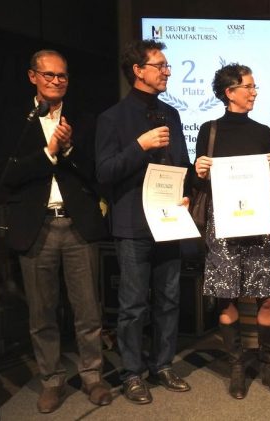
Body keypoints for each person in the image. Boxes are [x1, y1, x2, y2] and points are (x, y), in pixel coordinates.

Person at [2, 49, 112, 413]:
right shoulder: (15, 120)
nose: (56, 81)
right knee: (42, 314)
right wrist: (49, 152)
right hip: (36, 227)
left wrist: (68, 150)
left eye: (62, 75)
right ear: (32, 76)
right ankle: (51, 381)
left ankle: (93, 376)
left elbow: (97, 173)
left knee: (88, 311)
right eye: (48, 75)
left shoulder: (85, 119)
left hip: (77, 224)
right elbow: (8, 175)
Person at [95, 39, 191, 405]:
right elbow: (104, 172)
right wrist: (140, 146)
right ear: (138, 70)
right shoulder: (112, 118)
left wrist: (184, 191)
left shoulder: (172, 114)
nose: (167, 71)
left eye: (166, 66)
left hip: (170, 219)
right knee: (133, 305)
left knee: (169, 299)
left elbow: (180, 163)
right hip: (133, 223)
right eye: (160, 65)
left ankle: (162, 364)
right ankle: (132, 373)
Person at [194, 64, 270, 399]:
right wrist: (197, 170)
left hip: (257, 222)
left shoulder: (262, 132)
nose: (254, 92)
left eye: (254, 86)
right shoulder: (209, 130)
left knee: (267, 296)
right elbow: (200, 183)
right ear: (229, 92)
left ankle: (268, 366)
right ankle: (236, 366)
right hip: (223, 224)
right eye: (248, 86)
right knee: (226, 297)